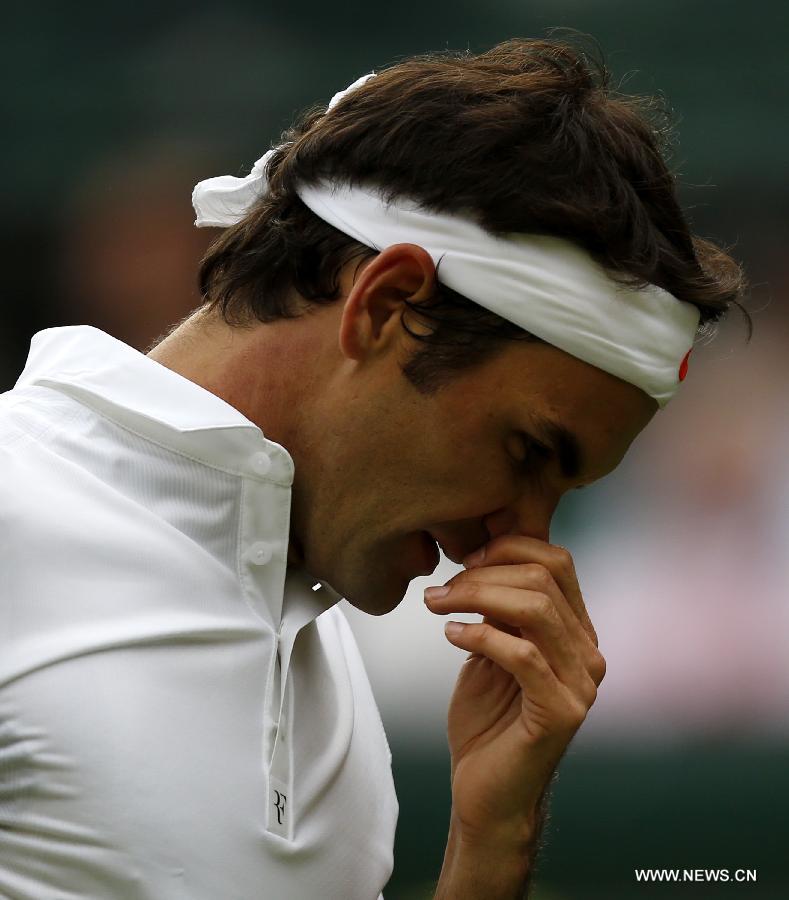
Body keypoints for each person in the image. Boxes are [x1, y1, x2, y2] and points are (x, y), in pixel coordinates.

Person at [0, 38, 746, 899]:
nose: (518, 542)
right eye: (527, 453)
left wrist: (487, 848)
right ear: (387, 304)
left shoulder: (327, 654)